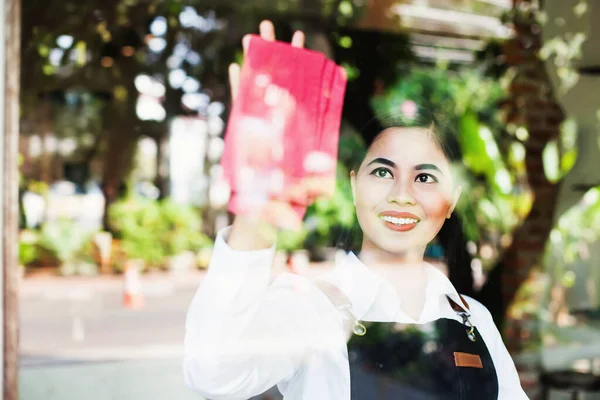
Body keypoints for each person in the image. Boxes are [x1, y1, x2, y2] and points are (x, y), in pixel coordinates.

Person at [183, 20, 529, 400]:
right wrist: (256, 207)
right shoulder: (311, 308)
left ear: (452, 202)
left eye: (425, 178)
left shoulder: (472, 318)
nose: (402, 194)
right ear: (353, 184)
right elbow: (215, 375)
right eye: (383, 171)